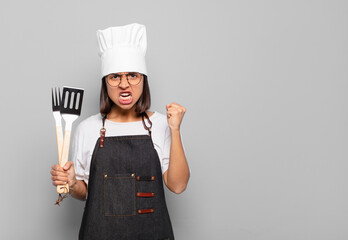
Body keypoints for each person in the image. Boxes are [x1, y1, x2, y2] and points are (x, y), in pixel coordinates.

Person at [50, 23, 190, 239]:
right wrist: (71, 183)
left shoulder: (161, 125)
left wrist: (175, 130)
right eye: (115, 76)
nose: (125, 84)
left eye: (133, 75)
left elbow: (178, 185)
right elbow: (85, 192)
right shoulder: (87, 129)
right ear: (105, 82)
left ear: (143, 80)